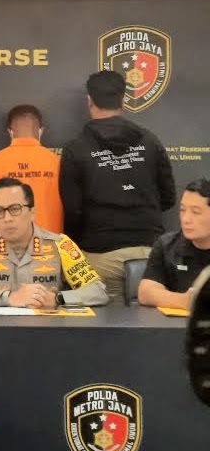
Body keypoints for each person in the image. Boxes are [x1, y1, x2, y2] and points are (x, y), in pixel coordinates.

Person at [59, 70, 176, 300]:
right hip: (151, 255)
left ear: (89, 101)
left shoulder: (76, 148)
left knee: (104, 322)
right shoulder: (150, 141)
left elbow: (72, 211)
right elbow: (169, 197)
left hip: (101, 254)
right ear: (123, 99)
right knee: (153, 321)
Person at [0, 178, 108, 308]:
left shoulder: (60, 245)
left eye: (15, 209)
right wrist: (8, 297)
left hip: (45, 331)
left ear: (32, 213)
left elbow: (98, 291)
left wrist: (58, 298)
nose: (7, 218)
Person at [0, 104, 62, 233]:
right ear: (40, 131)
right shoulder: (56, 162)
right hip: (49, 241)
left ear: (10, 131)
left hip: (7, 242)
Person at [138, 178, 210, 310]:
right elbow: (145, 293)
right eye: (182, 210)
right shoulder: (167, 245)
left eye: (196, 212)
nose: (186, 219)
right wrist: (185, 301)